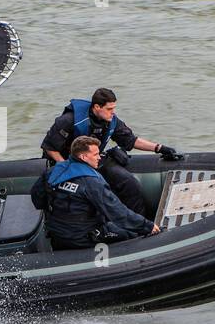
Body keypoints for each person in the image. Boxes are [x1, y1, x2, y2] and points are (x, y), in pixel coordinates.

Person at [40, 87, 182, 217]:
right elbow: (49, 147)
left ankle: (137, 224)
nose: (113, 112)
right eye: (109, 109)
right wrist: (67, 167)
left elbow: (131, 140)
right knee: (95, 190)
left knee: (129, 183)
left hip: (93, 160)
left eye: (113, 108)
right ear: (97, 107)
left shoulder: (111, 120)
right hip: (67, 163)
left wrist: (160, 148)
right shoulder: (69, 120)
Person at [31, 136, 161, 250]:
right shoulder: (91, 182)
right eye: (95, 155)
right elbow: (117, 212)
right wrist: (146, 226)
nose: (99, 158)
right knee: (132, 233)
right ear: (83, 157)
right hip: (83, 237)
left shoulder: (52, 172)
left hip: (57, 234)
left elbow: (37, 199)